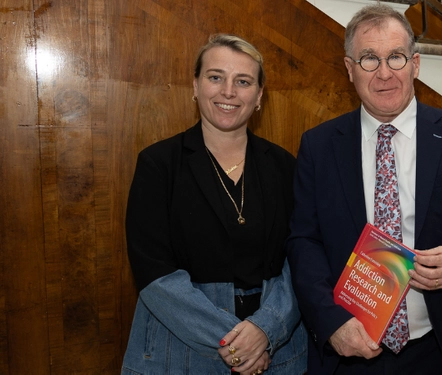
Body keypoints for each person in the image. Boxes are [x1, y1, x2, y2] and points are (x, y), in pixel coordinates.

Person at [286, 4, 442, 374]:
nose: (384, 73)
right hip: (346, 350)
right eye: (369, 59)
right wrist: (331, 321)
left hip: (436, 349)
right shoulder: (319, 146)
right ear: (350, 69)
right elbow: (304, 241)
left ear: (415, 64)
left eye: (396, 58)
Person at [122, 34, 307, 375]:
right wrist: (238, 344)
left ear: (259, 95)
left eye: (243, 81)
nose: (228, 92)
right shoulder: (158, 164)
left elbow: (303, 258)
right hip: (180, 348)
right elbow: (153, 272)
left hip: (276, 350)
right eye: (215, 77)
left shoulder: (284, 166)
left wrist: (266, 329)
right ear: (195, 86)